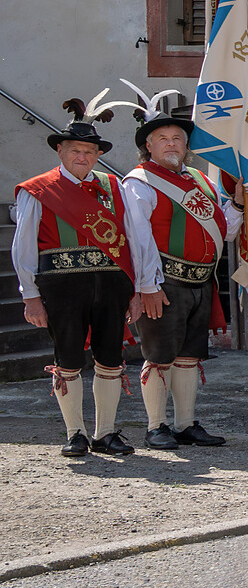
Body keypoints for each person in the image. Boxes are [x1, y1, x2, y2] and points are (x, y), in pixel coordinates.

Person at [14, 99, 162, 458]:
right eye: (76, 149)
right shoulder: (38, 190)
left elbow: (134, 240)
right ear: (61, 151)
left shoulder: (115, 187)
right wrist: (30, 295)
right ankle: (74, 433)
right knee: (68, 358)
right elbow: (23, 247)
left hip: (112, 285)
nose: (83, 156)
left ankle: (106, 432)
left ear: (97, 154)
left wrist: (138, 290)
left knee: (111, 358)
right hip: (61, 286)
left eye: (90, 150)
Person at [119, 92, 240, 450]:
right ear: (148, 146)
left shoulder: (202, 181)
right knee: (159, 356)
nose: (172, 144)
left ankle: (185, 424)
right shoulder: (139, 182)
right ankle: (156, 426)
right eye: (163, 139)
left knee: (189, 357)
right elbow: (137, 239)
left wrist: (236, 204)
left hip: (202, 281)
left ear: (186, 146)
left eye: (178, 139)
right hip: (164, 282)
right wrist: (147, 286)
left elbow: (226, 231)